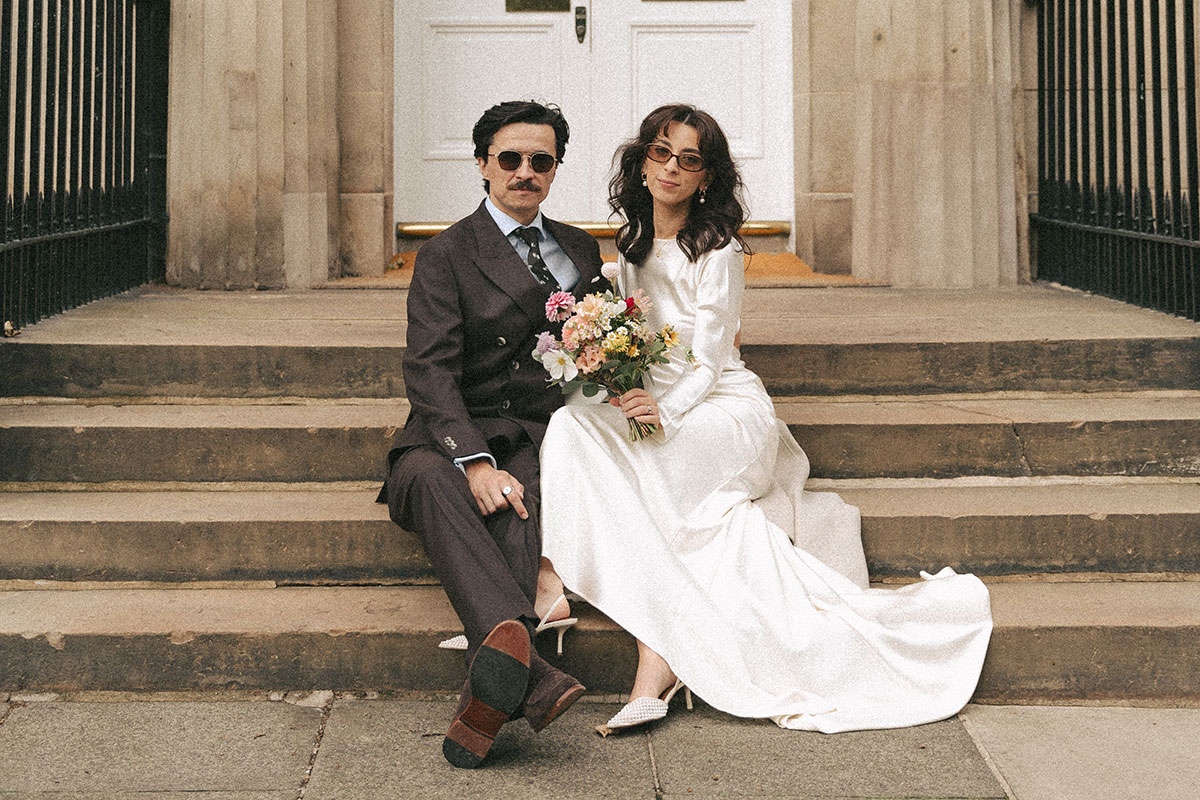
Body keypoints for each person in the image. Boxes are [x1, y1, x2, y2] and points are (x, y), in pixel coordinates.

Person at [537, 104, 993, 734]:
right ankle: (554, 578)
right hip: (656, 394)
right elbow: (637, 324)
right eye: (661, 153)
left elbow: (713, 357)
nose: (672, 167)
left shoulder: (715, 247)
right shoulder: (632, 239)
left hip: (719, 406)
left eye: (689, 160)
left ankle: (658, 656)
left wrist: (663, 412)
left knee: (656, 477)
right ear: (642, 161)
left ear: (707, 177)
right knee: (570, 425)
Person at [378, 100, 605, 767]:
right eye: (510, 158)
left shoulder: (579, 248)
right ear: (483, 165)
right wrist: (474, 460)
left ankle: (489, 698)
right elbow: (428, 369)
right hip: (454, 428)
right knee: (424, 478)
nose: (524, 173)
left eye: (541, 160)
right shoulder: (447, 253)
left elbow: (589, 348)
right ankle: (531, 678)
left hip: (537, 432)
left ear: (556, 167)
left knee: (521, 501)